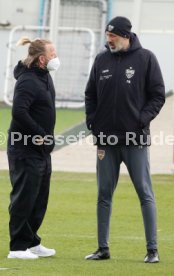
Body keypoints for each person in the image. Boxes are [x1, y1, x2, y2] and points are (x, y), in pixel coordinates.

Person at [85, 16, 165, 263]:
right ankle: (102, 248)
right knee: (103, 194)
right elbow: (90, 94)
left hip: (135, 139)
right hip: (106, 141)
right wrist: (92, 121)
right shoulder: (101, 59)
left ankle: (152, 250)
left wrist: (141, 120)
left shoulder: (146, 58)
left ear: (126, 36)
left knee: (144, 193)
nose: (109, 40)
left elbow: (157, 96)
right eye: (107, 36)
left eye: (113, 36)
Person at [7, 37, 60, 259]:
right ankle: (17, 248)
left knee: (39, 198)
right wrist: (41, 134)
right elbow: (19, 112)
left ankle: (31, 241)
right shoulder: (28, 80)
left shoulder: (44, 75)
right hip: (25, 149)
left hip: (41, 149)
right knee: (24, 197)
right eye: (52, 53)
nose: (56, 57)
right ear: (41, 59)